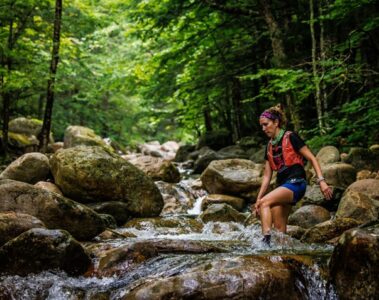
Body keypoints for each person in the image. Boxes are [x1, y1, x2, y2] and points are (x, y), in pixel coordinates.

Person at [254, 104, 333, 246]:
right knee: (279, 230)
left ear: (276, 122)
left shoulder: (291, 137)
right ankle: (283, 257)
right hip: (283, 186)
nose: (263, 129)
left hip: (296, 183)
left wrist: (321, 181)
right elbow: (266, 176)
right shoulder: (269, 146)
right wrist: (257, 199)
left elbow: (312, 158)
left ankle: (265, 243)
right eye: (262, 126)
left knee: (265, 203)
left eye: (266, 125)